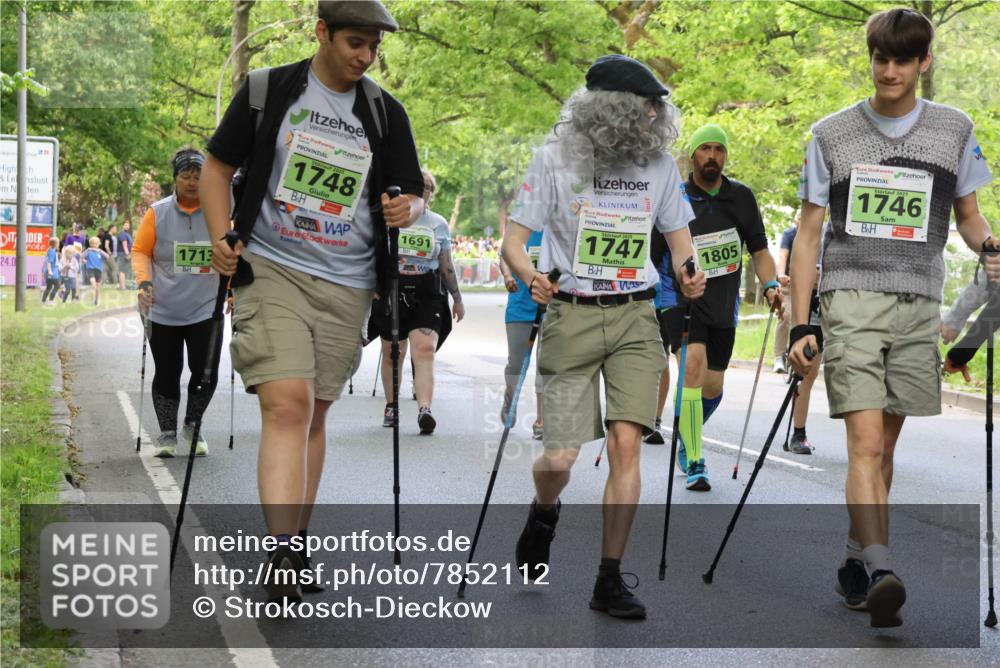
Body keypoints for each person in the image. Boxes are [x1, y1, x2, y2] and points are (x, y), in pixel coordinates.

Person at [202, 0, 424, 604]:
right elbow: (217, 168)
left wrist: (408, 208)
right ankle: (280, 553)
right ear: (322, 32)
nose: (366, 56)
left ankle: (296, 542)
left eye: (374, 46)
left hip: (348, 283)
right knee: (289, 405)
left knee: (316, 414)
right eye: (355, 42)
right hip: (272, 268)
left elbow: (412, 193)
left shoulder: (384, 112)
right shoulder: (267, 90)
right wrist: (221, 237)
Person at [788, 8, 997, 628]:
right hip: (850, 297)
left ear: (924, 62)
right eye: (881, 58)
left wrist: (990, 247)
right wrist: (802, 323)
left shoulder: (954, 130)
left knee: (885, 449)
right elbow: (808, 234)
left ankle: (856, 559)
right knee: (865, 441)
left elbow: (968, 217)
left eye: (903, 60)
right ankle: (883, 569)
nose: (889, 71)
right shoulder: (831, 134)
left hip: (919, 301)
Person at [502, 54, 706, 620]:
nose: (654, 116)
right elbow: (514, 242)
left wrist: (690, 274)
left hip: (635, 315)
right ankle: (544, 511)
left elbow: (680, 241)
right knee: (561, 455)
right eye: (646, 106)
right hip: (570, 314)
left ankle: (609, 578)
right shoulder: (552, 159)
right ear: (611, 108)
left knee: (626, 443)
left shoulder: (659, 166)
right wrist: (532, 276)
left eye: (657, 107)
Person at [656, 124, 781, 491]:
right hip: (678, 299)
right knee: (692, 368)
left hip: (723, 305)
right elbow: (655, 251)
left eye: (719, 149)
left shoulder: (741, 197)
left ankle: (687, 430)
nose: (712, 156)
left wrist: (771, 285)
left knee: (712, 386)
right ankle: (696, 460)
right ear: (693, 154)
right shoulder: (675, 196)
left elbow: (759, 250)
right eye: (705, 148)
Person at [132, 148, 220, 459]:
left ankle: (193, 425)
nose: (192, 182)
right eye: (186, 176)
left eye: (198, 177)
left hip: (205, 307)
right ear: (175, 179)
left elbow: (232, 252)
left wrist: (234, 291)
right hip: (163, 308)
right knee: (168, 371)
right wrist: (144, 283)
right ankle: (167, 432)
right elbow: (140, 251)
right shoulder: (157, 213)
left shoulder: (218, 211)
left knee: (205, 371)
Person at [373, 168, 463, 434]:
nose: (423, 190)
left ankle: (425, 409)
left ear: (432, 194)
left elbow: (446, 264)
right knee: (394, 351)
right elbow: (373, 253)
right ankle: (392, 405)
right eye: (418, 185)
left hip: (426, 289)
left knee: (424, 349)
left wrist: (457, 298)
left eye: (428, 187)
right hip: (392, 286)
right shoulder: (388, 217)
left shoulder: (438, 224)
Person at [499, 231, 545, 439]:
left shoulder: (562, 227)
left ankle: (542, 419)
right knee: (517, 364)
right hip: (520, 306)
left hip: (553, 308)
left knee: (546, 364)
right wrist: (508, 277)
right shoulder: (523, 227)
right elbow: (505, 254)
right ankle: (510, 401)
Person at [773, 213, 798, 373]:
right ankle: (779, 356)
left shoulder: (818, 233)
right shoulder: (789, 234)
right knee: (785, 316)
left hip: (809, 284)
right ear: (796, 220)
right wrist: (781, 274)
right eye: (800, 218)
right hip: (789, 283)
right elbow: (783, 255)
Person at [81, 237, 111, 306]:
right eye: (92, 244)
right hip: (90, 269)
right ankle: (93, 300)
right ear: (90, 244)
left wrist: (100, 251)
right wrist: (87, 251)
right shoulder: (89, 251)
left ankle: (97, 300)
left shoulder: (99, 252)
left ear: (98, 244)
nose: (94, 245)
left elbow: (107, 256)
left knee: (98, 287)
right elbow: (82, 256)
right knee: (93, 285)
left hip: (99, 270)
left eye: (96, 244)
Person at [41, 238, 61, 305]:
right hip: (52, 273)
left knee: (49, 287)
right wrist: (50, 271)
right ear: (55, 244)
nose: (59, 244)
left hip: (52, 272)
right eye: (58, 243)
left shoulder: (52, 250)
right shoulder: (52, 251)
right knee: (57, 285)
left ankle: (43, 300)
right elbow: (49, 262)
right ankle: (50, 300)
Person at [118, 220, 134, 289]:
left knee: (124, 271)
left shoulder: (127, 234)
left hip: (127, 254)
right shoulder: (122, 234)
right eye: (125, 225)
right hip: (123, 254)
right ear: (122, 226)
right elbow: (124, 245)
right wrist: (127, 254)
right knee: (122, 271)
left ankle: (122, 286)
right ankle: (123, 287)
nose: (127, 226)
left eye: (128, 225)